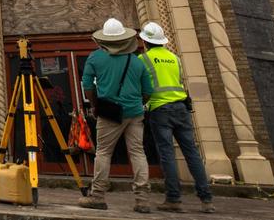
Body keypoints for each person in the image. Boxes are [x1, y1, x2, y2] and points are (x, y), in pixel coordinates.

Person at [78, 17, 153, 213]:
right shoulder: (136, 61)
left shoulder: (95, 58)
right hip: (135, 113)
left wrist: (95, 106)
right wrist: (137, 104)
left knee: (103, 153)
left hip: (109, 113)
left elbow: (87, 86)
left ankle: (97, 196)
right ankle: (142, 199)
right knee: (137, 152)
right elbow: (148, 91)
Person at [138, 22, 215, 214]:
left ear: (145, 41)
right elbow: (179, 81)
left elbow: (143, 87)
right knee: (192, 153)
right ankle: (206, 199)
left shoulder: (143, 59)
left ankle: (173, 198)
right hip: (181, 108)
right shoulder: (175, 58)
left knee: (167, 154)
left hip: (160, 109)